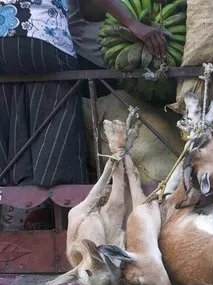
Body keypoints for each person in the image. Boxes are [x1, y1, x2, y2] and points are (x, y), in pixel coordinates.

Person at [0, 0, 164, 187]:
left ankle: (14, 190)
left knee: (9, 111)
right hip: (41, 35)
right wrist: (132, 23)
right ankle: (55, 192)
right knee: (54, 115)